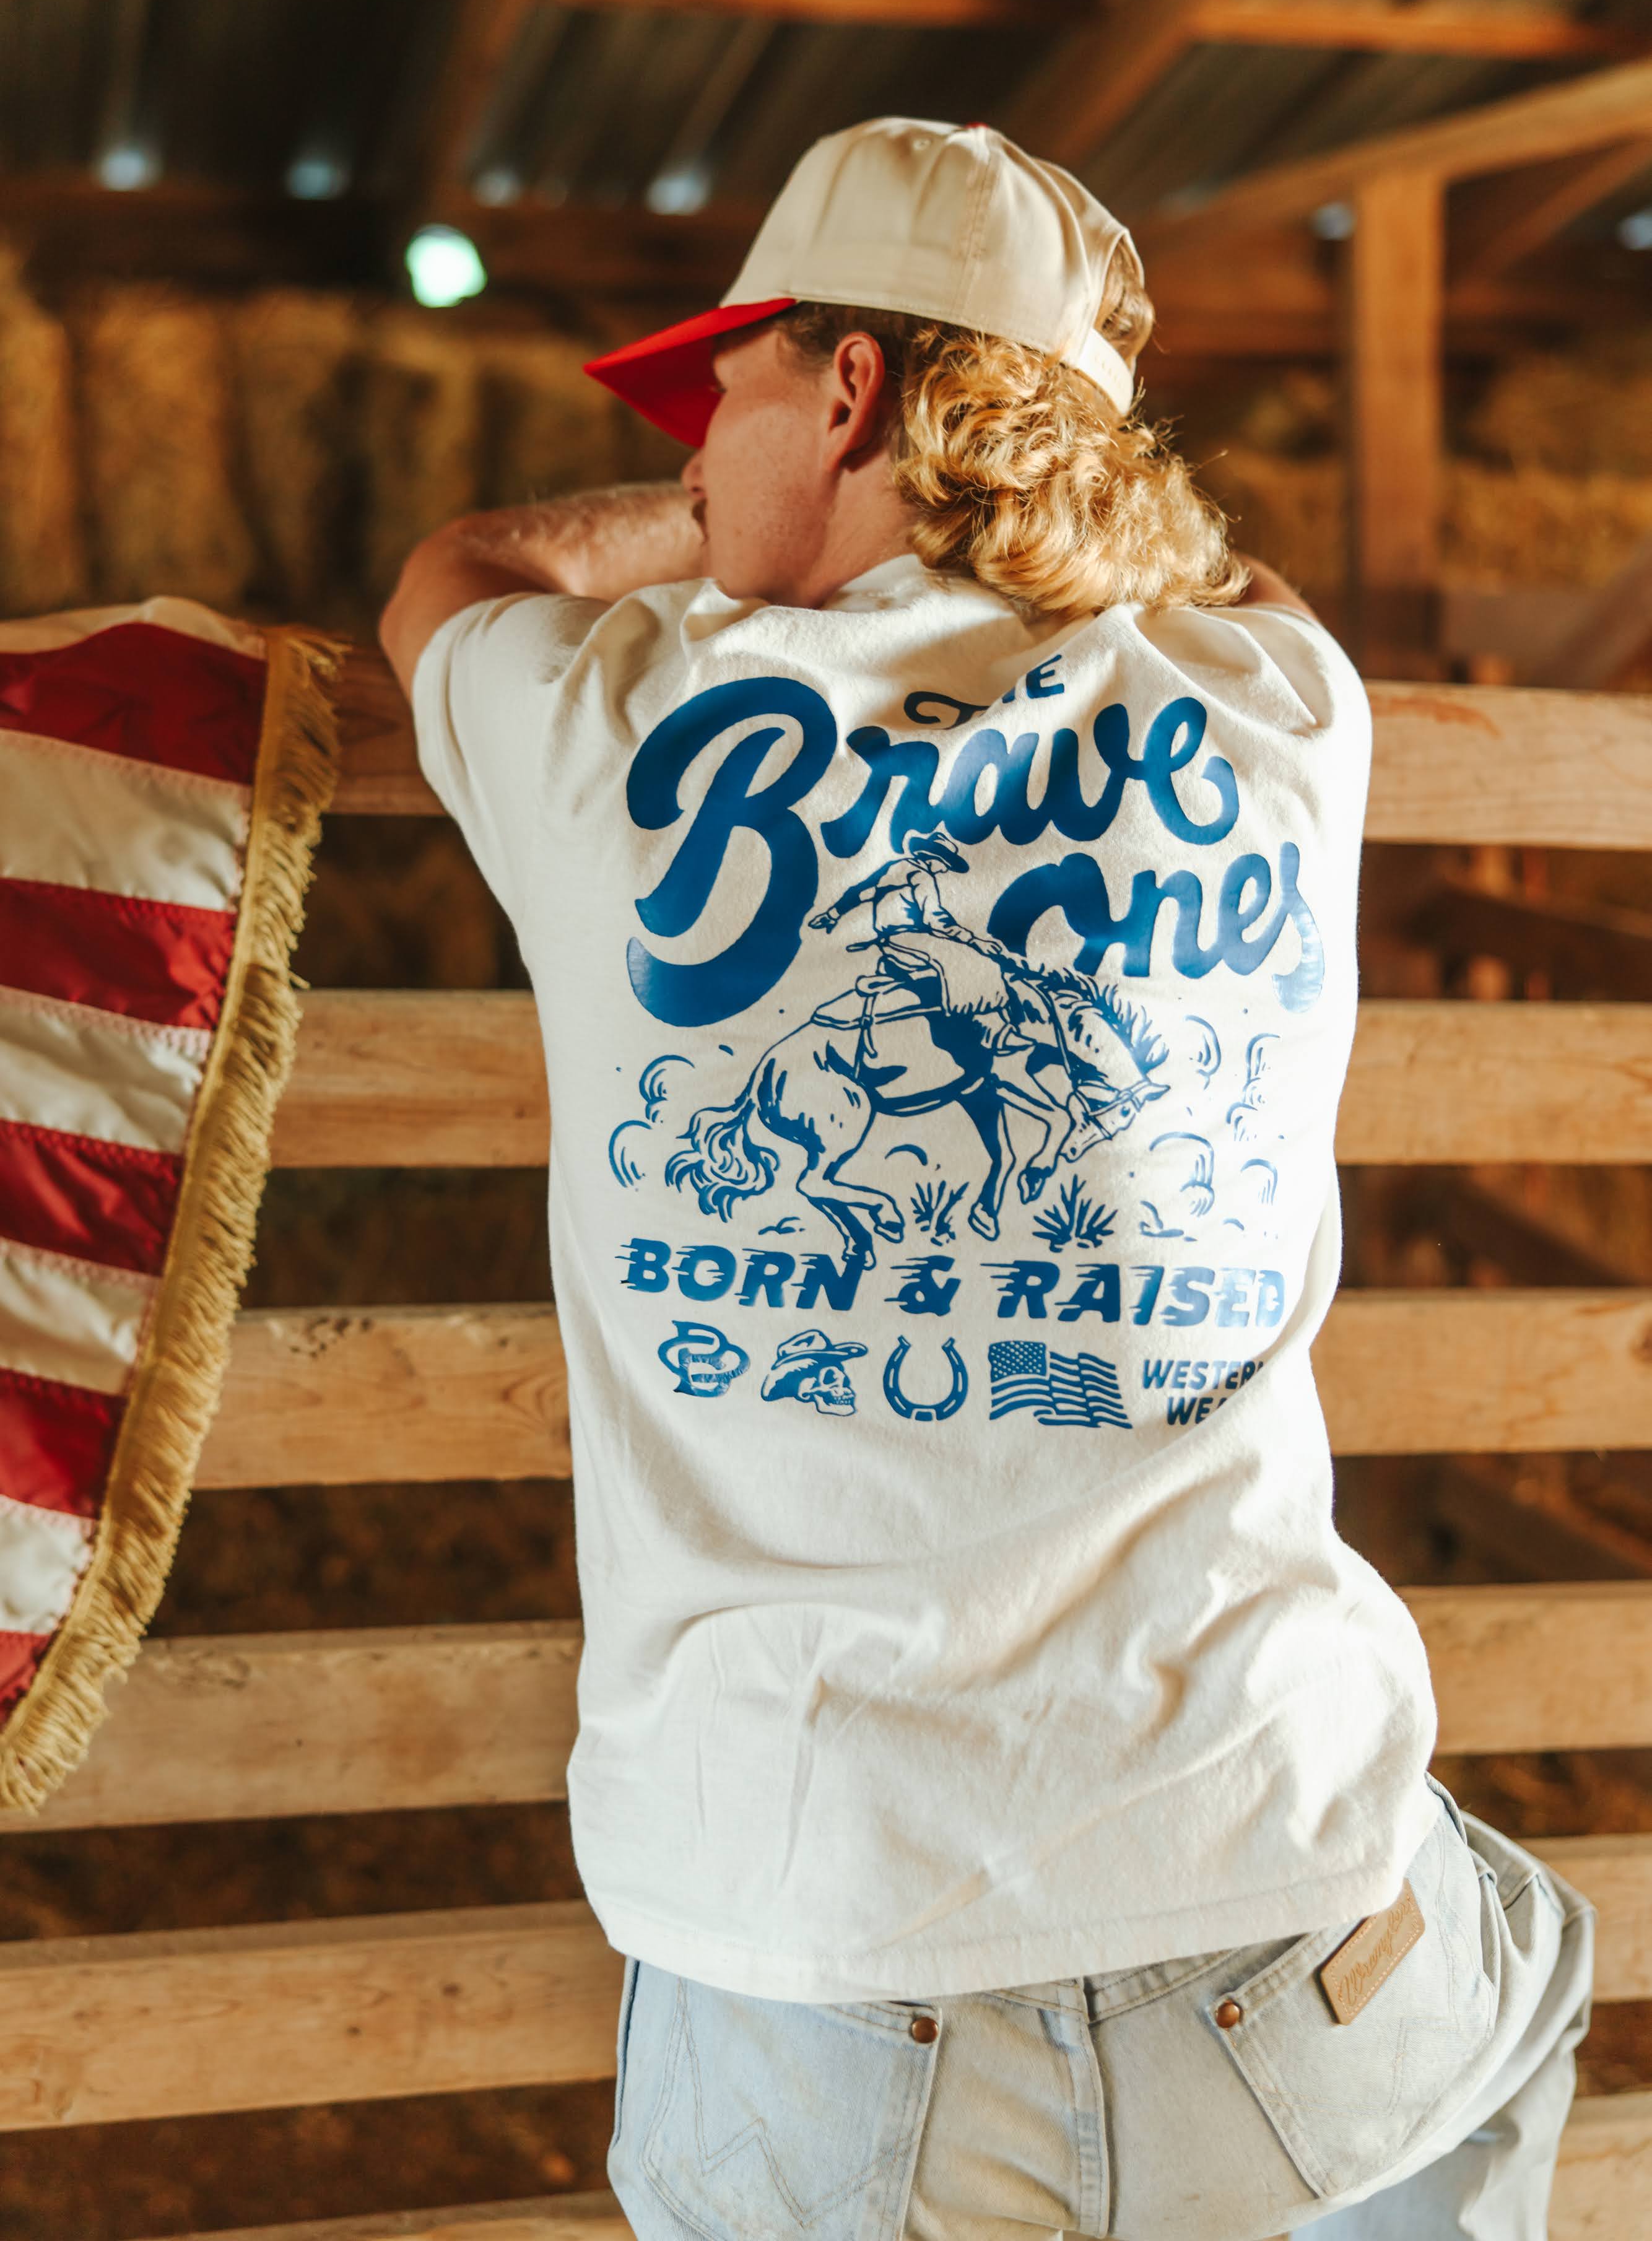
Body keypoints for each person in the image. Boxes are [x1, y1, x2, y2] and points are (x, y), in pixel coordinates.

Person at [381, 118, 1592, 2240]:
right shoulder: (1281, 713)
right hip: (1288, 1926)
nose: (693, 451)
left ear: (847, 390)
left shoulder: (606, 718)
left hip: (818, 1964)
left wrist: (688, 537)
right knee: (1525, 1974)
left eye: (722, 396)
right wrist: (1060, 476)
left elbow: (452, 575)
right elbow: (1224, 572)